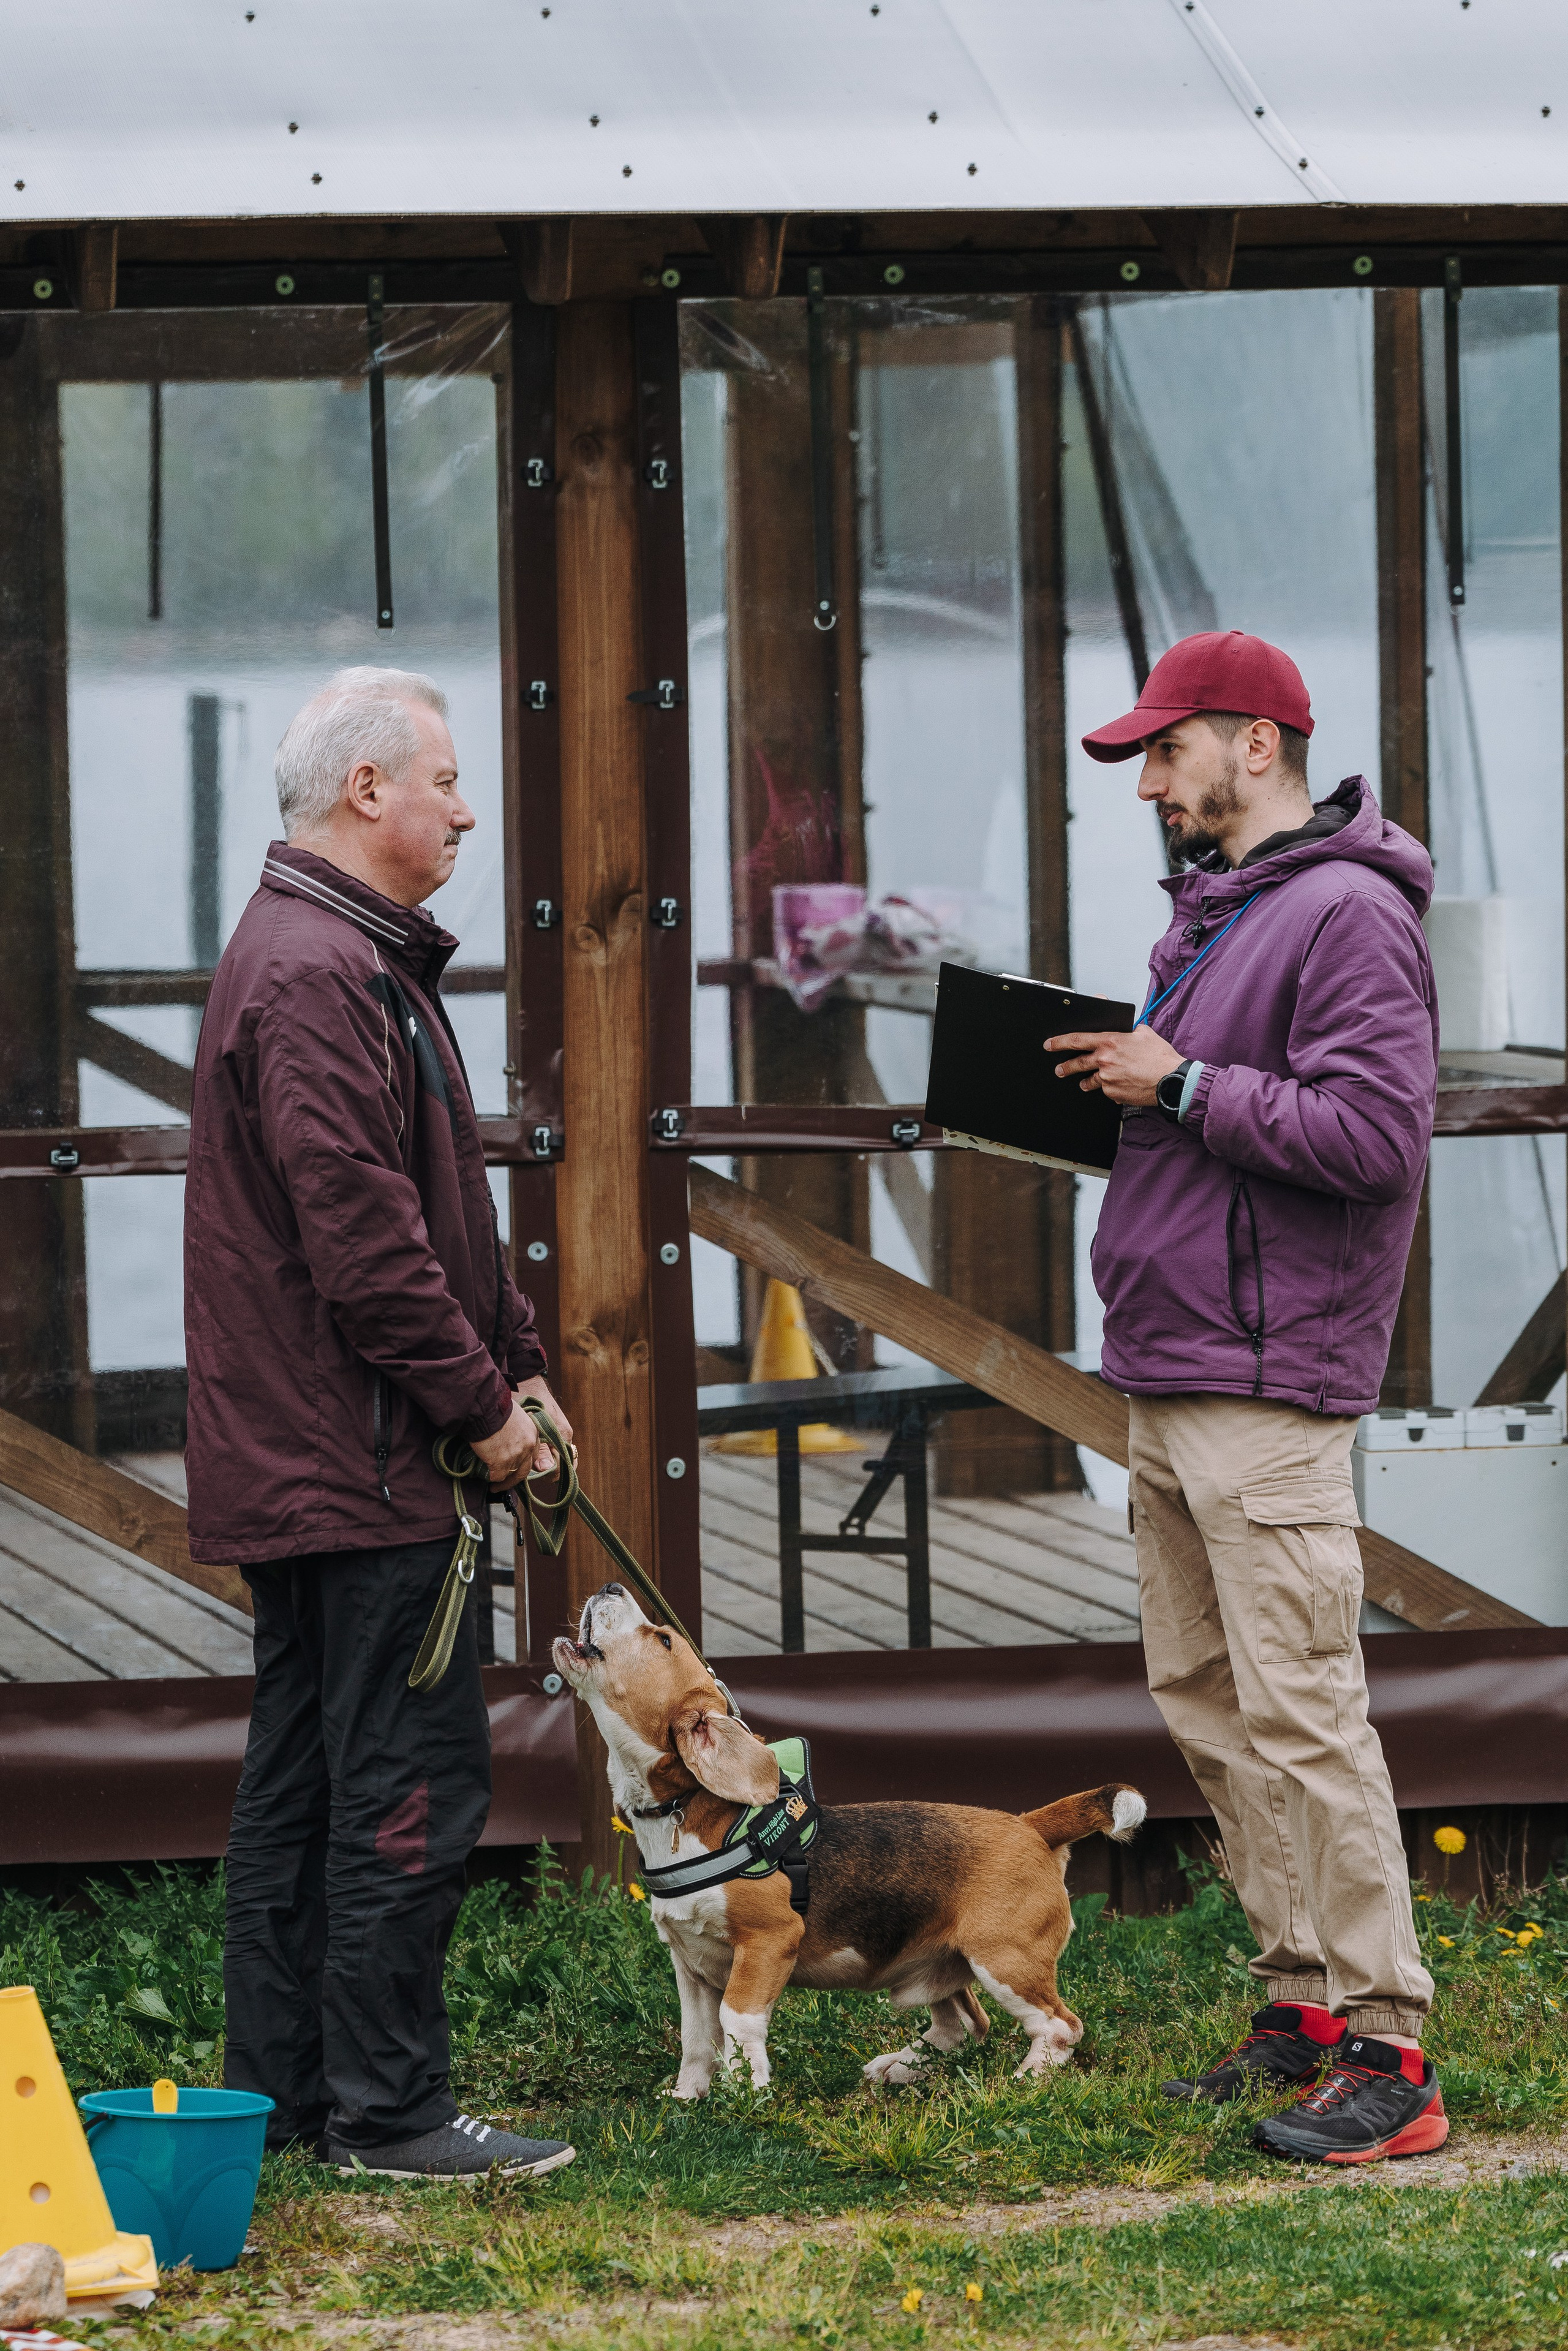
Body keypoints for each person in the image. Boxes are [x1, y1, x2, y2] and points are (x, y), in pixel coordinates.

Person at [1046, 630, 1446, 2167]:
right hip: (1174, 1359)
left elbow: (1371, 1141)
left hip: (1267, 1377)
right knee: (1210, 1704)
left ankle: (1391, 2052)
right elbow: (1205, 1113)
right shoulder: (1220, 914)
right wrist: (1102, 1089)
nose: (1147, 781)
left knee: (1301, 1711)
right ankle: (1301, 2007)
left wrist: (1184, 1085)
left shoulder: (1342, 912)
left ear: (1255, 744)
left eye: (1165, 750)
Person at [185, 666, 576, 2181]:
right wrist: (484, 1417)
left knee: (302, 1782)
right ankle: (393, 2112)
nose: (466, 809)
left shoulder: (336, 952)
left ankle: (284, 2100)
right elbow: (367, 1251)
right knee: (408, 1780)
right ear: (369, 793)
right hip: (357, 1463)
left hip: (319, 1457)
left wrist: (519, 1357)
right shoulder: (317, 971)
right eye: (448, 781)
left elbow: (432, 1213)